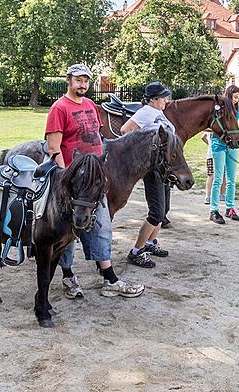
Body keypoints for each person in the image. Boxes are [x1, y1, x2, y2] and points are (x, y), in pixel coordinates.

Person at [45, 63, 144, 298]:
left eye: (86, 81)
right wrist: (63, 179)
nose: (83, 85)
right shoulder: (59, 108)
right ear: (68, 80)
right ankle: (68, 276)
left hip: (94, 180)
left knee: (101, 225)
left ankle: (109, 278)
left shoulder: (90, 105)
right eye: (79, 80)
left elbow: (98, 138)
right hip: (72, 181)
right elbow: (53, 147)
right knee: (69, 231)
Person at [121, 82, 174, 268]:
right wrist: (143, 150)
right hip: (153, 167)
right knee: (156, 212)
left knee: (164, 209)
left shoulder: (158, 113)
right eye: (163, 97)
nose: (166, 100)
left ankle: (151, 243)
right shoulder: (146, 112)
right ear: (153, 99)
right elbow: (125, 130)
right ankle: (136, 251)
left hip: (164, 167)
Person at [209, 85, 239, 224]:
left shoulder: (238, 110)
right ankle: (214, 209)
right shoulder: (220, 110)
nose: (236, 100)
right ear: (229, 95)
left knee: (231, 179)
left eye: (238, 98)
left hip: (233, 146)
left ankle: (230, 208)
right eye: (234, 97)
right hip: (219, 145)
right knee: (218, 178)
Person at [201, 130, 226, 205]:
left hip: (210, 155)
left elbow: (202, 137)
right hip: (219, 155)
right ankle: (222, 194)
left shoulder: (209, 129)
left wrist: (209, 144)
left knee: (211, 175)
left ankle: (208, 196)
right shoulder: (219, 130)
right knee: (223, 175)